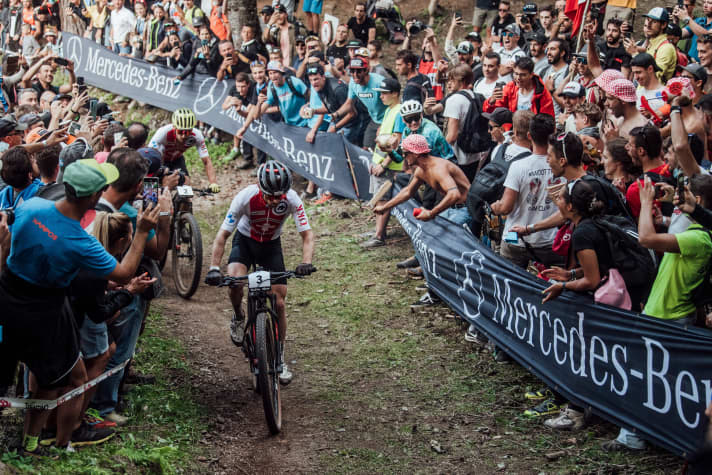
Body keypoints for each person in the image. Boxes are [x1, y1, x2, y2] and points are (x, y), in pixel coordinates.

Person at [0, 158, 159, 455]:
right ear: (94, 196)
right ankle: (46, 442)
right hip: (46, 311)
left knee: (25, 376)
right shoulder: (79, 242)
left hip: (7, 296)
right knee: (73, 378)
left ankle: (30, 441)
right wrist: (141, 232)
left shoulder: (31, 207)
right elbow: (124, 273)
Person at [206, 161, 315, 385]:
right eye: (270, 196)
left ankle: (280, 356)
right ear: (259, 186)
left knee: (279, 302)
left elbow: (307, 235)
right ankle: (238, 315)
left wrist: (306, 262)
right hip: (245, 242)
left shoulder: (292, 199)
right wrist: (214, 268)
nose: (276, 201)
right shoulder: (245, 197)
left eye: (280, 196)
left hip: (271, 246)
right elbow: (222, 236)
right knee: (235, 282)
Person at [491, 113, 564, 269]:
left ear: (529, 136)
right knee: (556, 282)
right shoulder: (562, 166)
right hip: (550, 240)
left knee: (510, 281)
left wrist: (496, 207)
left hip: (514, 238)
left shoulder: (519, 166)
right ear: (553, 134)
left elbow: (506, 207)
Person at [373, 134, 471, 224]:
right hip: (451, 208)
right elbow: (408, 192)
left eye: (405, 153)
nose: (403, 156)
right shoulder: (421, 170)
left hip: (465, 208)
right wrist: (385, 207)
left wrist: (431, 213)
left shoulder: (438, 169)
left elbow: (454, 194)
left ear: (415, 154)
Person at [361, 77, 405, 249]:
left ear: (395, 93)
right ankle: (378, 231)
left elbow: (397, 142)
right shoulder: (389, 110)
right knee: (377, 198)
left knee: (382, 200)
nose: (381, 97)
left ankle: (379, 236)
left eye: (385, 93)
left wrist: (384, 164)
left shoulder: (399, 111)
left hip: (388, 167)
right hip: (379, 161)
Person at [148, 108, 219, 191]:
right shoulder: (163, 133)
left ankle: (183, 202)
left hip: (177, 159)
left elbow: (206, 161)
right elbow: (150, 157)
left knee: (186, 182)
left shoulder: (197, 135)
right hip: (160, 160)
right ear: (174, 127)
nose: (184, 135)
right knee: (155, 189)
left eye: (188, 132)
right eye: (180, 131)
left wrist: (213, 182)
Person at [443, 64, 481, 180]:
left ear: (461, 81)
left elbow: (452, 136)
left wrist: (438, 153)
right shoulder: (477, 96)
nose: (449, 83)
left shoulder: (454, 100)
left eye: (452, 80)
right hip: (475, 153)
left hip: (458, 156)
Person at [483, 56, 554, 117]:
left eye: (523, 75)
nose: (518, 78)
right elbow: (493, 112)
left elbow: (547, 121)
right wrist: (491, 102)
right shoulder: (510, 88)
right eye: (516, 74)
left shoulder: (542, 93)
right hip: (512, 130)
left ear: (531, 75)